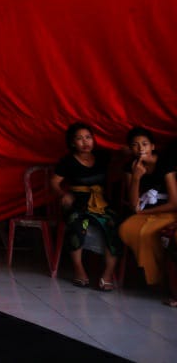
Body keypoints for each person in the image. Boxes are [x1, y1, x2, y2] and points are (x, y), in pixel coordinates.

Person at [51, 122, 122, 289]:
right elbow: (54, 182)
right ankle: (79, 270)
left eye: (88, 137)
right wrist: (63, 194)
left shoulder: (102, 156)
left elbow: (121, 157)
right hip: (77, 204)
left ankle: (107, 274)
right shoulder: (67, 161)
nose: (85, 142)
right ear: (72, 143)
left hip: (101, 203)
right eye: (79, 138)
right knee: (76, 225)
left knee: (115, 225)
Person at [119, 126, 177, 301]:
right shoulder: (131, 167)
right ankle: (155, 276)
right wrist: (137, 177)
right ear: (130, 148)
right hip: (144, 213)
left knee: (146, 232)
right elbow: (133, 204)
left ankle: (161, 278)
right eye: (135, 145)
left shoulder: (165, 164)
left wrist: (145, 212)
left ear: (152, 146)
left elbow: (174, 202)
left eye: (144, 144)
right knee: (126, 229)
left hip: (167, 212)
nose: (140, 149)